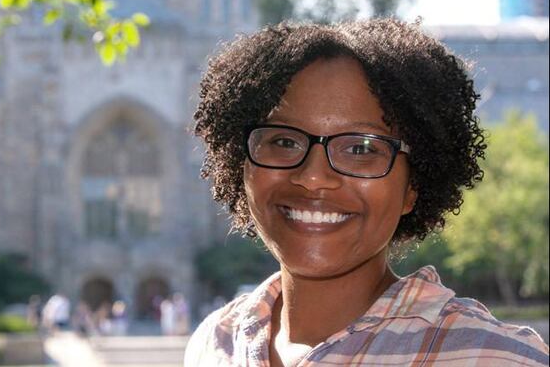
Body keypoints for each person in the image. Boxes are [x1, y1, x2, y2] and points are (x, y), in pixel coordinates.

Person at [185, 19, 549, 366]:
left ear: (413, 187)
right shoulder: (214, 342)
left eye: (361, 148)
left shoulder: (496, 358)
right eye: (283, 141)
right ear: (241, 165)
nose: (313, 177)